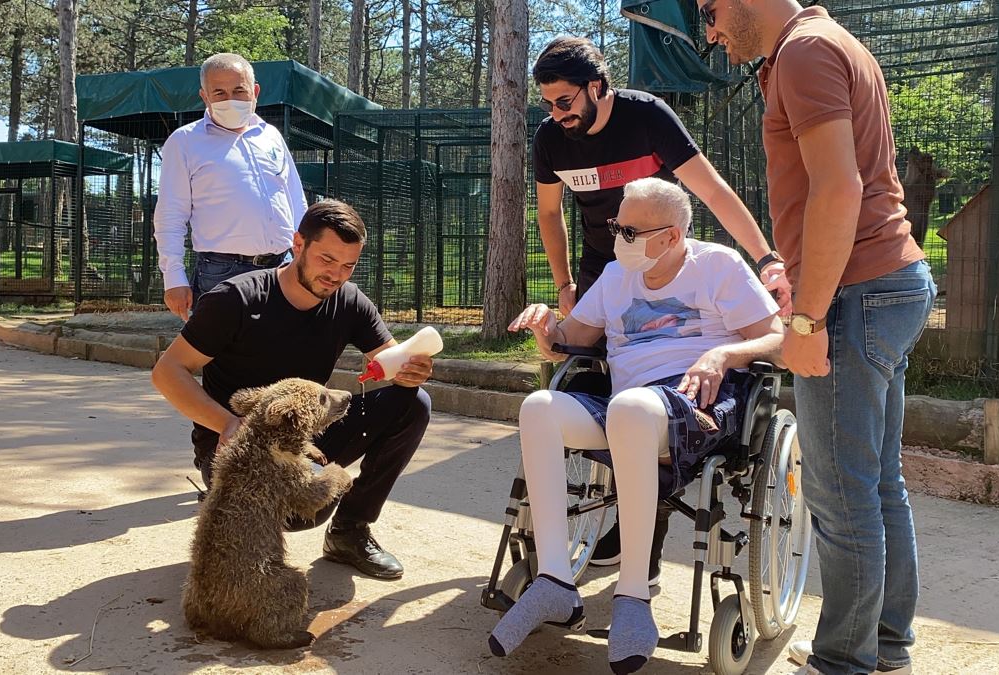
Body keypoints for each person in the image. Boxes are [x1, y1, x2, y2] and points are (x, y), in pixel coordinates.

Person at [703, 2, 936, 674]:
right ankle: (885, 644)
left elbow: (839, 188)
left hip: (852, 296)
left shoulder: (804, 53)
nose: (711, 32)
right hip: (888, 282)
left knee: (840, 493)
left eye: (709, 12)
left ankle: (844, 661)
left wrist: (806, 319)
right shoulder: (826, 44)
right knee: (876, 481)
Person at [490, 178, 783, 674]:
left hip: (698, 404)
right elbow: (568, 342)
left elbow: (777, 340)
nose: (617, 237)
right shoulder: (614, 276)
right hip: (628, 403)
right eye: (616, 226)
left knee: (629, 408)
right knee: (540, 406)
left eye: (629, 229)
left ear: (671, 236)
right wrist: (546, 329)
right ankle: (556, 581)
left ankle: (632, 596)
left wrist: (724, 353)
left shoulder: (718, 266)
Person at [531, 34, 792, 578]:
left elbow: (713, 191)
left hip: (664, 247)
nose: (556, 114)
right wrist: (563, 291)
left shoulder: (647, 117)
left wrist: (765, 257)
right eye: (546, 103)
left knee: (651, 402)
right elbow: (549, 216)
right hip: (605, 272)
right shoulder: (550, 141)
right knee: (597, 382)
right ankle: (613, 527)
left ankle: (639, 545)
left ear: (595, 87)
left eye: (564, 101)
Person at [151, 199, 433, 581]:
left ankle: (350, 532)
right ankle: (230, 506)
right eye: (327, 260)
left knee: (413, 403)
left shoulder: (349, 301)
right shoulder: (236, 298)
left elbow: (392, 361)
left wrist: (411, 370)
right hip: (236, 446)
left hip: (307, 438)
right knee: (303, 510)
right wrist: (228, 425)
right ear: (297, 244)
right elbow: (168, 372)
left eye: (348, 266)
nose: (336, 275)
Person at [154, 52, 308, 322]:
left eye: (239, 90)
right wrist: (173, 278)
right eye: (220, 93)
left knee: (282, 354)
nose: (230, 99)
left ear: (255, 91)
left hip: (283, 267)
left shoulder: (271, 135)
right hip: (222, 272)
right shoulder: (184, 142)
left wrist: (304, 256)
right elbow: (170, 215)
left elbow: (295, 198)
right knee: (225, 358)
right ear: (205, 97)